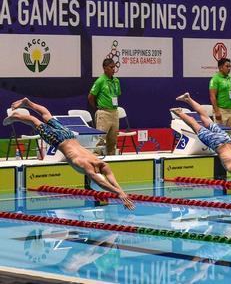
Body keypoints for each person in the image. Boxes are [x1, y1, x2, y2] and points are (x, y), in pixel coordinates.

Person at [4, 98, 135, 209]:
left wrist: (121, 192)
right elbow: (102, 184)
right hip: (59, 140)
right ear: (92, 180)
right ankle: (16, 117)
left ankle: (28, 103)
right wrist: (119, 193)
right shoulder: (86, 168)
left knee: (47, 115)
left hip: (69, 135)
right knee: (34, 122)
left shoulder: (101, 164)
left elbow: (109, 177)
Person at [88, 58, 121, 155]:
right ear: (105, 68)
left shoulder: (116, 81)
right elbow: (90, 97)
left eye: (114, 67)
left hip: (114, 112)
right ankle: (95, 164)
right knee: (100, 141)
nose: (113, 69)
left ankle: (111, 163)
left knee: (112, 142)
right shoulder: (100, 81)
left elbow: (116, 94)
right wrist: (99, 108)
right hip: (104, 113)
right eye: (111, 67)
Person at [209, 58, 231, 137]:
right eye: (227, 66)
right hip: (221, 111)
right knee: (219, 135)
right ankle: (218, 149)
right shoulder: (215, 79)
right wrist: (217, 111)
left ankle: (228, 149)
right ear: (220, 67)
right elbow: (212, 96)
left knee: (229, 135)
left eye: (230, 66)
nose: (229, 68)